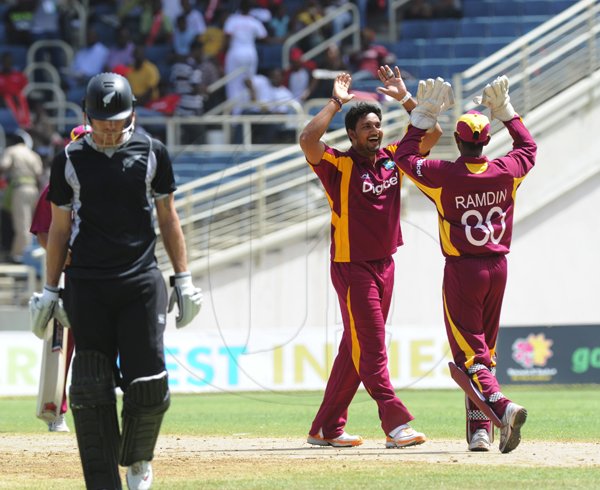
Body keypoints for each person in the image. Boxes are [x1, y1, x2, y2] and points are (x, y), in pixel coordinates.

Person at [28, 72, 203, 489]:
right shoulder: (69, 159)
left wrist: (184, 279)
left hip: (140, 281)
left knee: (148, 386)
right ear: (88, 116)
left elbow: (169, 218)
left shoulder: (153, 153)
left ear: (133, 115)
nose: (110, 128)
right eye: (102, 121)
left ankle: (139, 461)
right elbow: (57, 229)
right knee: (89, 388)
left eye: (118, 120)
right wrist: (51, 289)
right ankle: (103, 479)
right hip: (87, 285)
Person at [299, 66, 443, 449]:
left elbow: (433, 134)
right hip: (351, 267)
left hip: (385, 265)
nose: (375, 130)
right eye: (366, 126)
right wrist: (336, 102)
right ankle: (396, 424)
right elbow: (308, 139)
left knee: (355, 347)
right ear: (351, 135)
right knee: (373, 344)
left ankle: (326, 427)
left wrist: (405, 98)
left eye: (378, 124)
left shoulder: (395, 157)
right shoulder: (339, 166)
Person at [393, 75, 535, 453]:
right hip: (498, 268)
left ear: (457, 141)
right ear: (486, 141)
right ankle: (480, 431)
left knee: (468, 357)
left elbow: (404, 158)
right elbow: (528, 146)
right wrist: (506, 111)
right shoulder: (507, 171)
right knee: (485, 351)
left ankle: (502, 409)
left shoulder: (444, 176)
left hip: (463, 271)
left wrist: (422, 116)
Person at [29, 124, 92, 433]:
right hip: (69, 276)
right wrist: (61, 256)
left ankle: (95, 408)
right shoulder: (59, 179)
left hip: (99, 274)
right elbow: (43, 229)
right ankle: (57, 411)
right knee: (63, 347)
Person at [0, 130, 43, 263]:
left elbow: (3, 165)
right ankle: (23, 252)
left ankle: (21, 256)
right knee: (29, 224)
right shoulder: (33, 154)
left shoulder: (12, 150)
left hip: (20, 189)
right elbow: (39, 173)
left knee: (22, 224)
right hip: (33, 190)